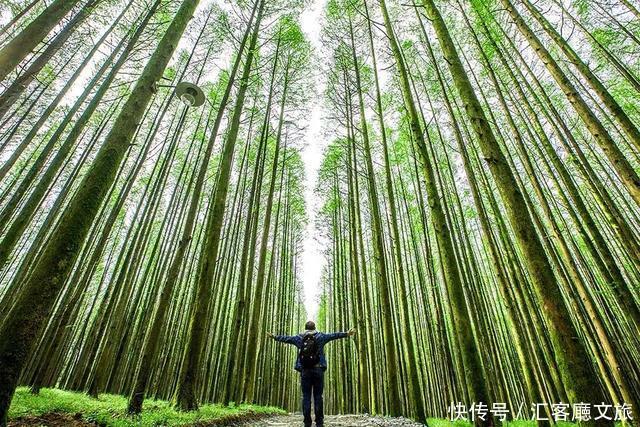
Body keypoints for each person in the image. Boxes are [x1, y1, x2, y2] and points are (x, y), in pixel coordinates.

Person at [268, 321, 356, 427]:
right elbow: (333, 335)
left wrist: (274, 337)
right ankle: (319, 423)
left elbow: (286, 338)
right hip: (318, 370)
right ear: (315, 327)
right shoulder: (321, 336)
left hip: (305, 370)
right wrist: (346, 333)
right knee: (318, 396)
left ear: (305, 328)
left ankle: (307, 422)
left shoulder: (299, 338)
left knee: (306, 396)